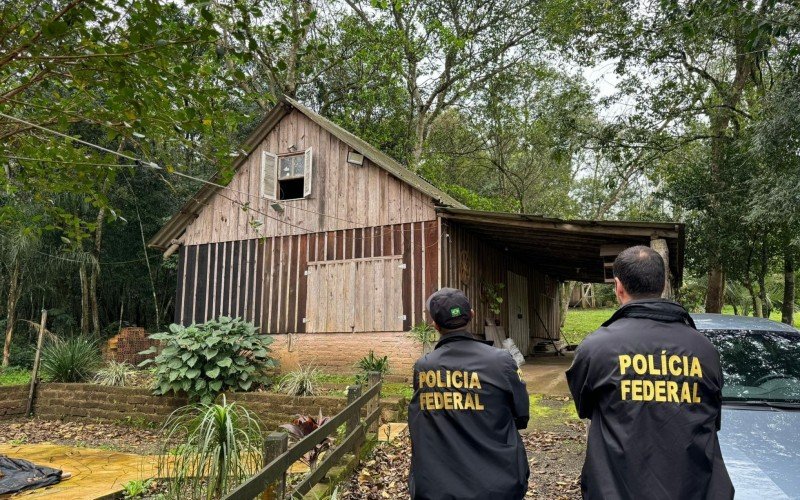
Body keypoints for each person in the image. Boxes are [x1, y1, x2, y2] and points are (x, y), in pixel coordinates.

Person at [566, 246, 733, 500]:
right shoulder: (704, 350)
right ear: (664, 283)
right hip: (693, 490)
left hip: (616, 490)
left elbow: (586, 407)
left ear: (618, 286)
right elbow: (712, 417)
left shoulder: (596, 347)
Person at [407, 288, 530, 500]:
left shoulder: (424, 367)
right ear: (472, 315)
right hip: (498, 485)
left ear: (435, 325)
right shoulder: (501, 361)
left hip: (438, 488)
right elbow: (522, 415)